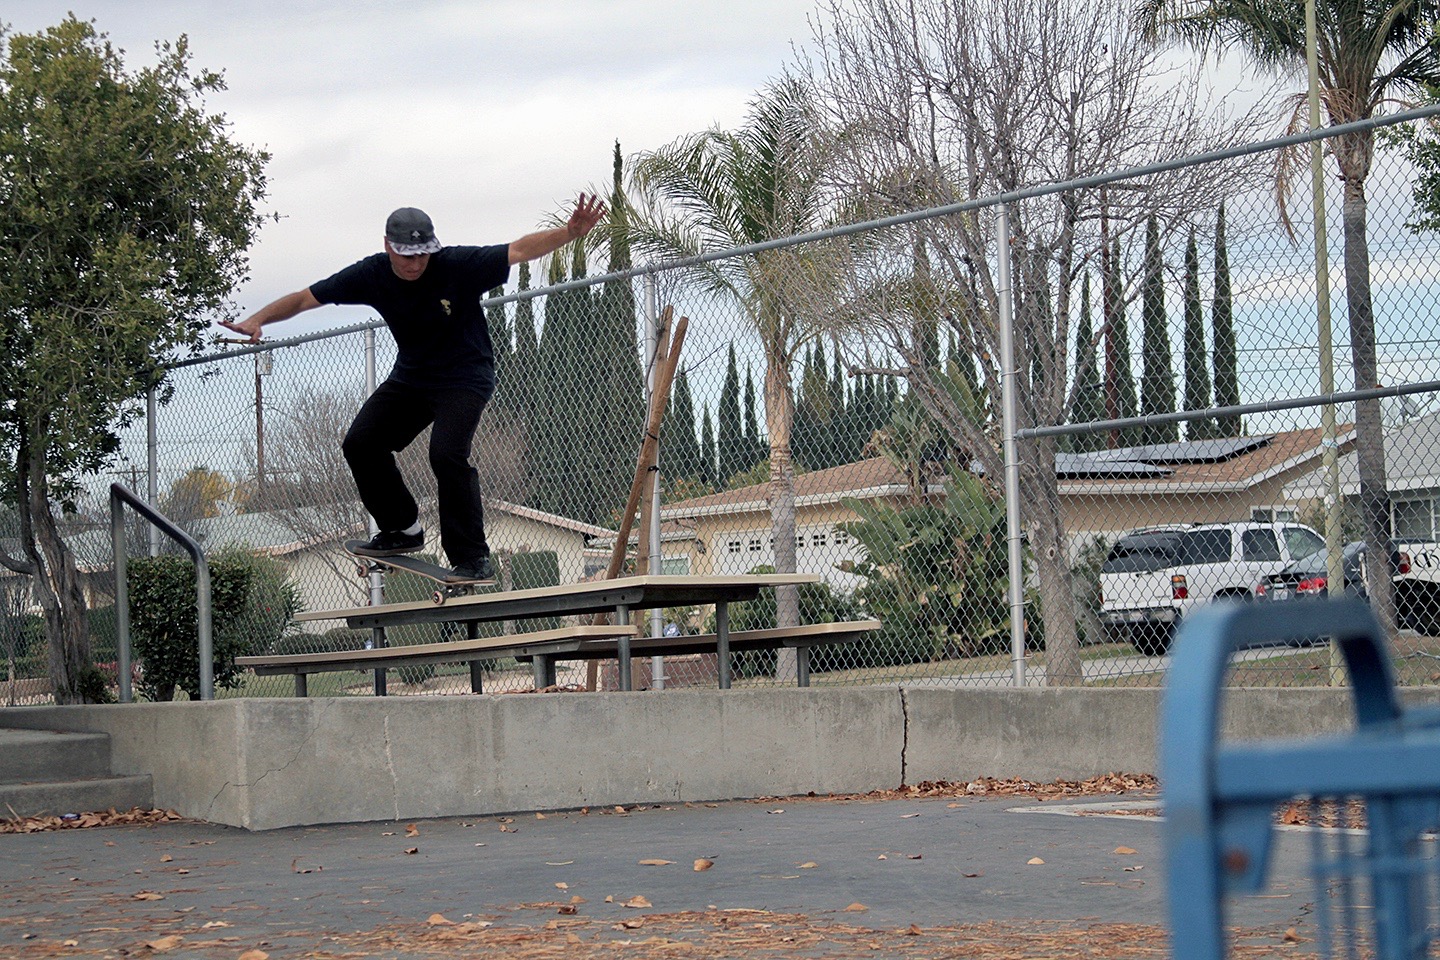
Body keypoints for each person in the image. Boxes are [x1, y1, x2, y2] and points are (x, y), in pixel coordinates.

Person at [220, 195, 606, 580]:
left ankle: (472, 557)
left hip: (465, 376)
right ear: (388, 246)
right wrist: (259, 318)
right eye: (407, 256)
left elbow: (519, 250)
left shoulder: (456, 265)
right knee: (361, 443)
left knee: (446, 454)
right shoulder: (371, 274)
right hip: (413, 379)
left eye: (423, 255)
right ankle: (402, 529)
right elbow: (306, 299)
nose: (416, 264)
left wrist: (570, 234)